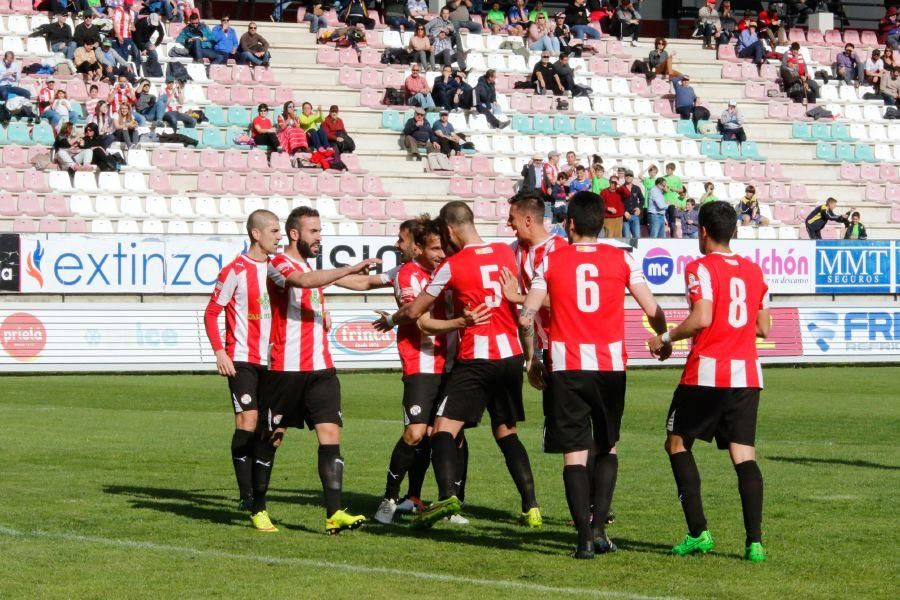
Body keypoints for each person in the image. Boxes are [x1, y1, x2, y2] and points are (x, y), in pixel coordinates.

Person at [376, 201, 543, 530]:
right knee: (507, 432)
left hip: (477, 358)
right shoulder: (506, 253)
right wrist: (529, 356)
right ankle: (531, 506)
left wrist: (393, 318)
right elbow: (523, 311)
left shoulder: (452, 266)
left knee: (442, 430)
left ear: (450, 230)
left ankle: (448, 495)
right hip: (509, 356)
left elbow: (414, 313)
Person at [520, 191, 667, 558]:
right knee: (607, 446)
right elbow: (652, 307)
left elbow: (527, 315)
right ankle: (600, 529)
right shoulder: (623, 258)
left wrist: (532, 359)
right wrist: (662, 339)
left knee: (574, 453)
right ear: (602, 224)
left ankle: (583, 540)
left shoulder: (551, 260)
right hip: (609, 366)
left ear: (569, 224)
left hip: (566, 366)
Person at [647, 201, 771, 563]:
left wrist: (665, 338)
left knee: (676, 444)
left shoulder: (699, 268)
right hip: (747, 374)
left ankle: (699, 533)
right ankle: (754, 543)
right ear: (733, 231)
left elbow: (701, 318)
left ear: (702, 231)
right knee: (743, 455)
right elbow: (763, 327)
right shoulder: (754, 271)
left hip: (706, 373)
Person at [264, 206, 381, 534]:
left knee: (330, 435)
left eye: (320, 231)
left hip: (321, 367)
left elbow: (357, 282)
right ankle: (256, 504)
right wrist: (347, 268)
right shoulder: (280, 264)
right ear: (294, 234)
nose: (320, 237)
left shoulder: (315, 270)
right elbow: (302, 280)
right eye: (314, 232)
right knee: (273, 437)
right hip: (286, 366)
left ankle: (334, 514)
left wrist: (392, 277)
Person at [373, 218, 483, 525]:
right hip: (421, 364)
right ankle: (390, 498)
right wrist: (460, 323)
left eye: (443, 247)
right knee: (415, 433)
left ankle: (451, 504)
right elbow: (418, 321)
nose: (440, 253)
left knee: (452, 435)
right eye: (434, 248)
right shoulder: (408, 274)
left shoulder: (454, 268)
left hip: (454, 363)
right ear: (418, 248)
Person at [203, 209, 281, 530]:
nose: (280, 236)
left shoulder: (281, 270)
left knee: (271, 431)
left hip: (276, 362)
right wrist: (220, 352)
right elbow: (211, 313)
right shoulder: (234, 270)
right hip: (242, 359)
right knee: (247, 421)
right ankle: (247, 495)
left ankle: (258, 492)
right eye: (275, 231)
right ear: (256, 234)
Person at [499, 191, 569, 470]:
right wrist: (531, 357)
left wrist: (518, 298)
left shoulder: (560, 250)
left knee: (573, 432)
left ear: (528, 219)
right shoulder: (513, 250)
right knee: (561, 433)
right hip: (545, 349)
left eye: (512, 219)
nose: (508, 224)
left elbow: (565, 301)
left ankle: (594, 504)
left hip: (568, 347)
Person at [621, 170, 644, 239]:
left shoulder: (637, 188)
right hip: (625, 217)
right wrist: (624, 212)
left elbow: (642, 199)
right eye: (627, 176)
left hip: (635, 215)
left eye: (630, 176)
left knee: (637, 237)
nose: (628, 177)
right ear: (624, 177)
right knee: (627, 238)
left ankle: (637, 250)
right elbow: (618, 203)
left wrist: (639, 208)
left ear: (633, 177)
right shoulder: (621, 189)